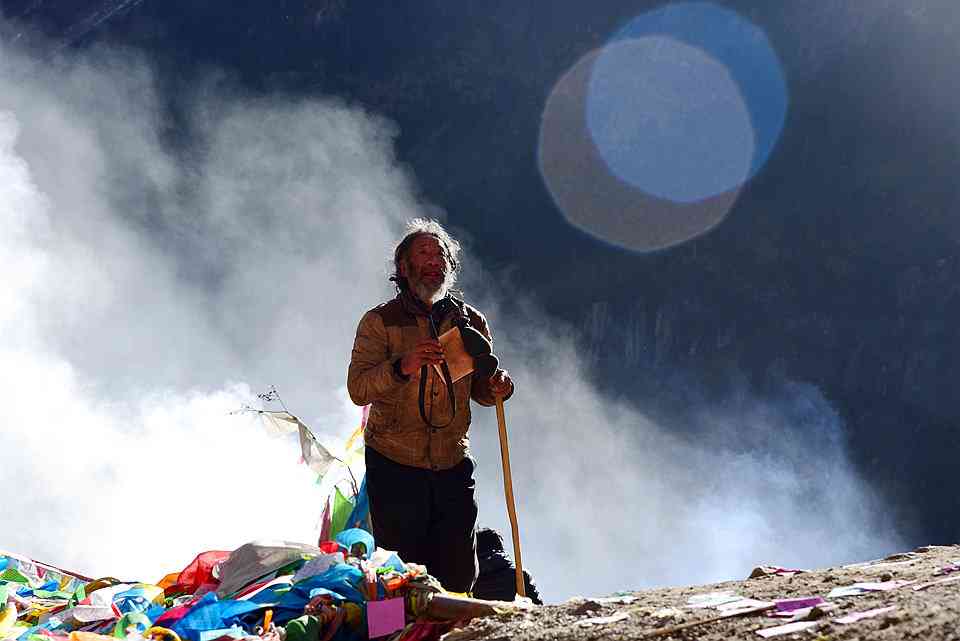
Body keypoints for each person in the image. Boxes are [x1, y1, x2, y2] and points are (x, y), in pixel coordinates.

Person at [347, 219, 514, 593]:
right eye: (423, 253)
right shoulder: (381, 322)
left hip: (452, 463)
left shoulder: (470, 321)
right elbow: (359, 388)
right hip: (394, 465)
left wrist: (497, 386)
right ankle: (393, 635)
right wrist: (402, 366)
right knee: (398, 573)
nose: (434, 260)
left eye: (441, 254)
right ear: (403, 268)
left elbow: (480, 389)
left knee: (457, 570)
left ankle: (450, 631)